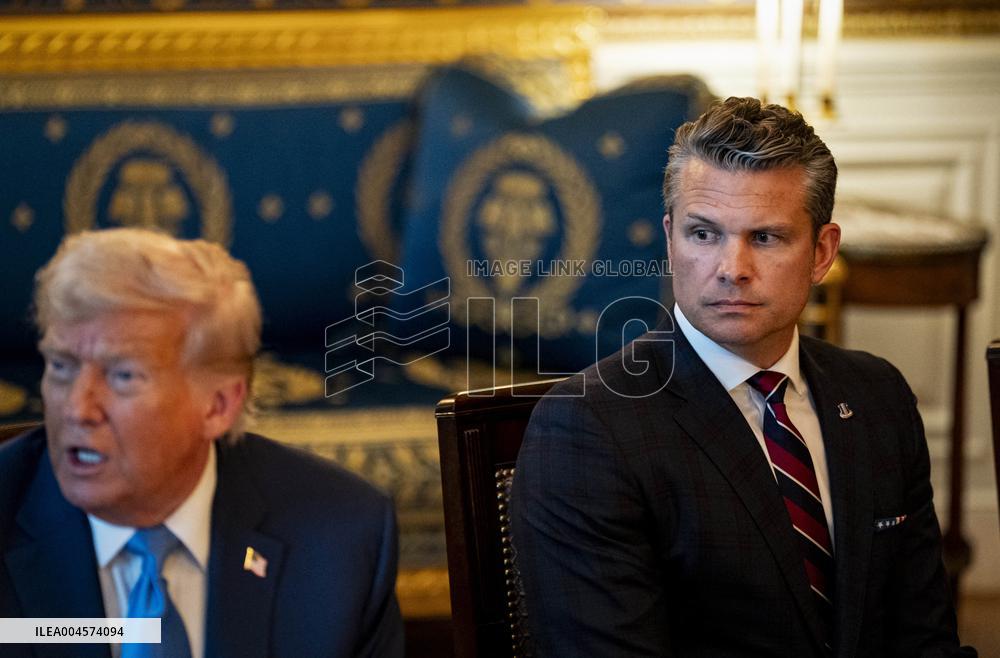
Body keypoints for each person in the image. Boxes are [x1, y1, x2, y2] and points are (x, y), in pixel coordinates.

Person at [510, 97, 975, 656]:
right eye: (703, 234)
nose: (732, 268)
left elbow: (925, 639)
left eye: (765, 238)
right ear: (670, 238)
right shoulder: (586, 431)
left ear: (822, 252)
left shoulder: (879, 396)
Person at [0, 228, 404, 657]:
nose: (77, 409)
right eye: (61, 367)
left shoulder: (337, 539)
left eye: (123, 376)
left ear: (218, 406)